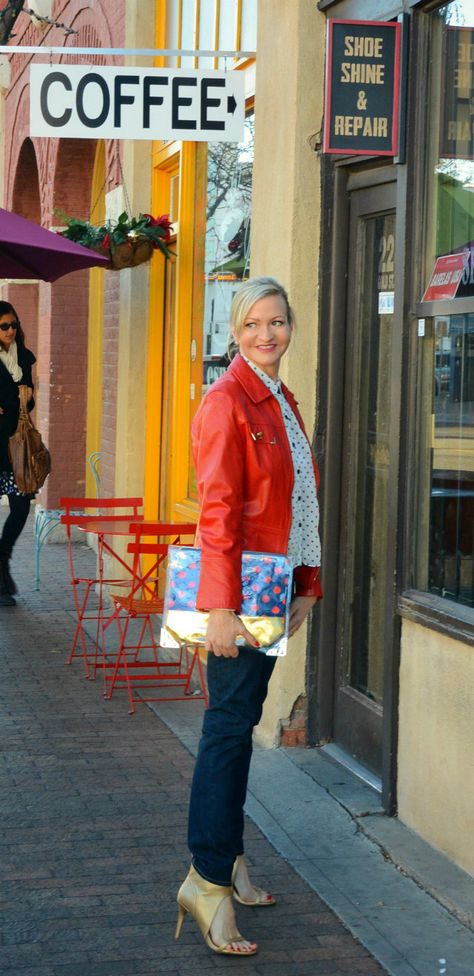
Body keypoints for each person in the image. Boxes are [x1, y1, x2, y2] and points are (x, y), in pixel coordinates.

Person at [175, 277, 322, 956]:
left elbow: (296, 506)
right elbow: (219, 514)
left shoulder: (279, 398)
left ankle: (229, 862)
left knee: (241, 723)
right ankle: (206, 880)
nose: (268, 335)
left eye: (279, 323)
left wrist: (306, 585)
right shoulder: (228, 400)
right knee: (228, 731)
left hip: (272, 589)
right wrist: (221, 609)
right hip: (240, 598)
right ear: (234, 331)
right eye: (254, 324)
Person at [0, 301, 36, 607]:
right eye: (4, 326)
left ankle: (3, 556)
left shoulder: (24, 357)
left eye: (13, 324)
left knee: (21, 506)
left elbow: (28, 401)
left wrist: (24, 398)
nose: (10, 330)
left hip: (16, 444)